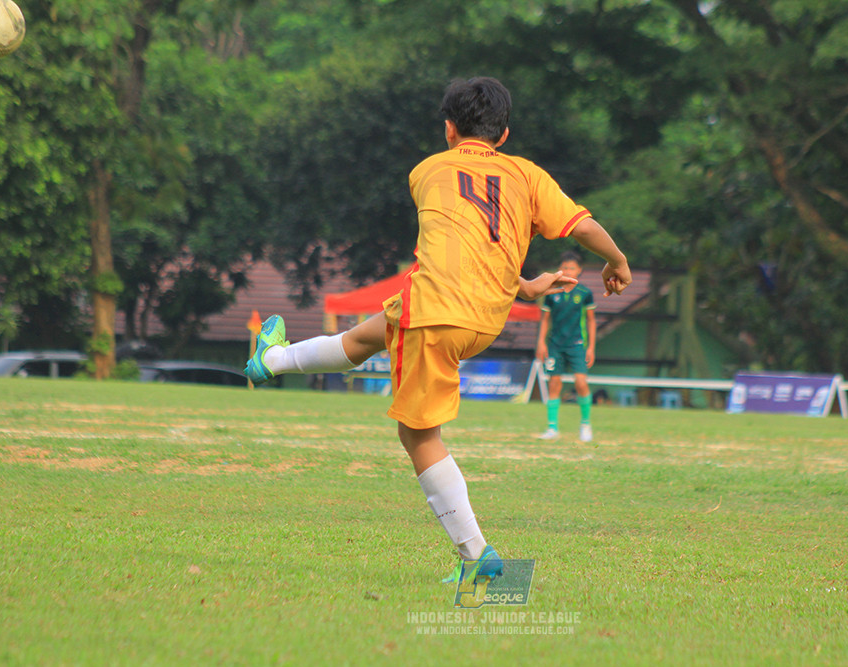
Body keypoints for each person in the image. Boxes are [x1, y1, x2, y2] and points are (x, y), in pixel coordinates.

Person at [244, 76, 631, 582]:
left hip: (436, 310)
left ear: (448, 128)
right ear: (505, 134)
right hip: (483, 318)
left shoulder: (426, 170)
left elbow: (460, 232)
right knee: (364, 338)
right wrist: (614, 261)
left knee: (419, 435)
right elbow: (576, 227)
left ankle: (478, 559)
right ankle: (270, 360)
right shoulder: (528, 176)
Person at [536, 250, 597, 442]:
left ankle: (585, 424)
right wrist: (541, 343)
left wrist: (591, 347)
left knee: (581, 382)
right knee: (554, 384)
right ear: (559, 270)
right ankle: (552, 428)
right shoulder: (552, 293)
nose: (568, 271)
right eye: (564, 267)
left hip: (577, 345)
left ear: (579, 270)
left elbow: (591, 321)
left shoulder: (585, 293)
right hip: (555, 345)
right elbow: (545, 320)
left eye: (572, 268)